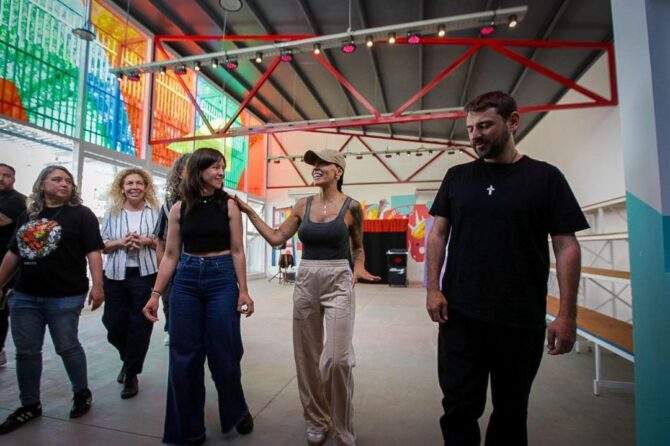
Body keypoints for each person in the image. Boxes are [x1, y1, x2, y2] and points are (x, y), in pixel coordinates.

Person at [426, 91, 589, 446]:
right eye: (470, 129)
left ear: (513, 122)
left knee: (511, 413)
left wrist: (567, 314)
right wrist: (432, 289)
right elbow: (437, 234)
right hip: (460, 315)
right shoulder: (457, 177)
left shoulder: (545, 178)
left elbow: (566, 245)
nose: (476, 135)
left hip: (520, 319)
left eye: (485, 125)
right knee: (458, 409)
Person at [234, 148, 380, 446]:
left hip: (338, 279)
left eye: (323, 163)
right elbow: (277, 237)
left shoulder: (352, 207)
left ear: (339, 171)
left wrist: (359, 266)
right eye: (314, 163)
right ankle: (316, 419)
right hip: (306, 279)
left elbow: (358, 247)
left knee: (337, 360)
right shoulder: (303, 204)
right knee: (307, 356)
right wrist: (249, 212)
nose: (316, 167)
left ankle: (342, 427)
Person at [142, 148, 255, 445]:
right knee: (184, 357)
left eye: (222, 167)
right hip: (187, 280)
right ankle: (188, 430)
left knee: (225, 352)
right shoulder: (178, 208)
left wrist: (243, 290)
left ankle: (236, 409)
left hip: (222, 279)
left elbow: (237, 250)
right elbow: (170, 255)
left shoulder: (229, 206)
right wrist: (155, 294)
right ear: (198, 171)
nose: (221, 172)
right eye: (215, 167)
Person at [0, 165, 104, 435]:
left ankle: (81, 392)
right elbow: (14, 253)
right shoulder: (27, 216)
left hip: (65, 295)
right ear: (42, 184)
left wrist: (98, 286)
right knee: (26, 351)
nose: (64, 184)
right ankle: (29, 404)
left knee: (67, 346)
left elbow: (93, 252)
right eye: (57, 179)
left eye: (68, 180)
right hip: (25, 294)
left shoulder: (82, 215)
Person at [100, 167, 159, 399]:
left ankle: (131, 373)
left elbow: (165, 243)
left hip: (145, 275)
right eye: (129, 183)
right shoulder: (112, 212)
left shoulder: (156, 212)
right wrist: (121, 242)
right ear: (122, 188)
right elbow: (103, 245)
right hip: (115, 275)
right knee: (112, 324)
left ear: (146, 187)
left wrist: (146, 241)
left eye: (139, 183)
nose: (134, 187)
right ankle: (128, 360)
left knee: (140, 326)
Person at [153, 153, 191, 346]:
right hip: (175, 268)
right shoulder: (168, 207)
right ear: (179, 174)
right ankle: (171, 328)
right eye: (190, 168)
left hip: (199, 268)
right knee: (170, 302)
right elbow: (161, 244)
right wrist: (165, 275)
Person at [0, 163, 27, 367]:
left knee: (1, 309)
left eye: (6, 175)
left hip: (6, 263)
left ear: (13, 179)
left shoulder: (15, 200)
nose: (1, 179)